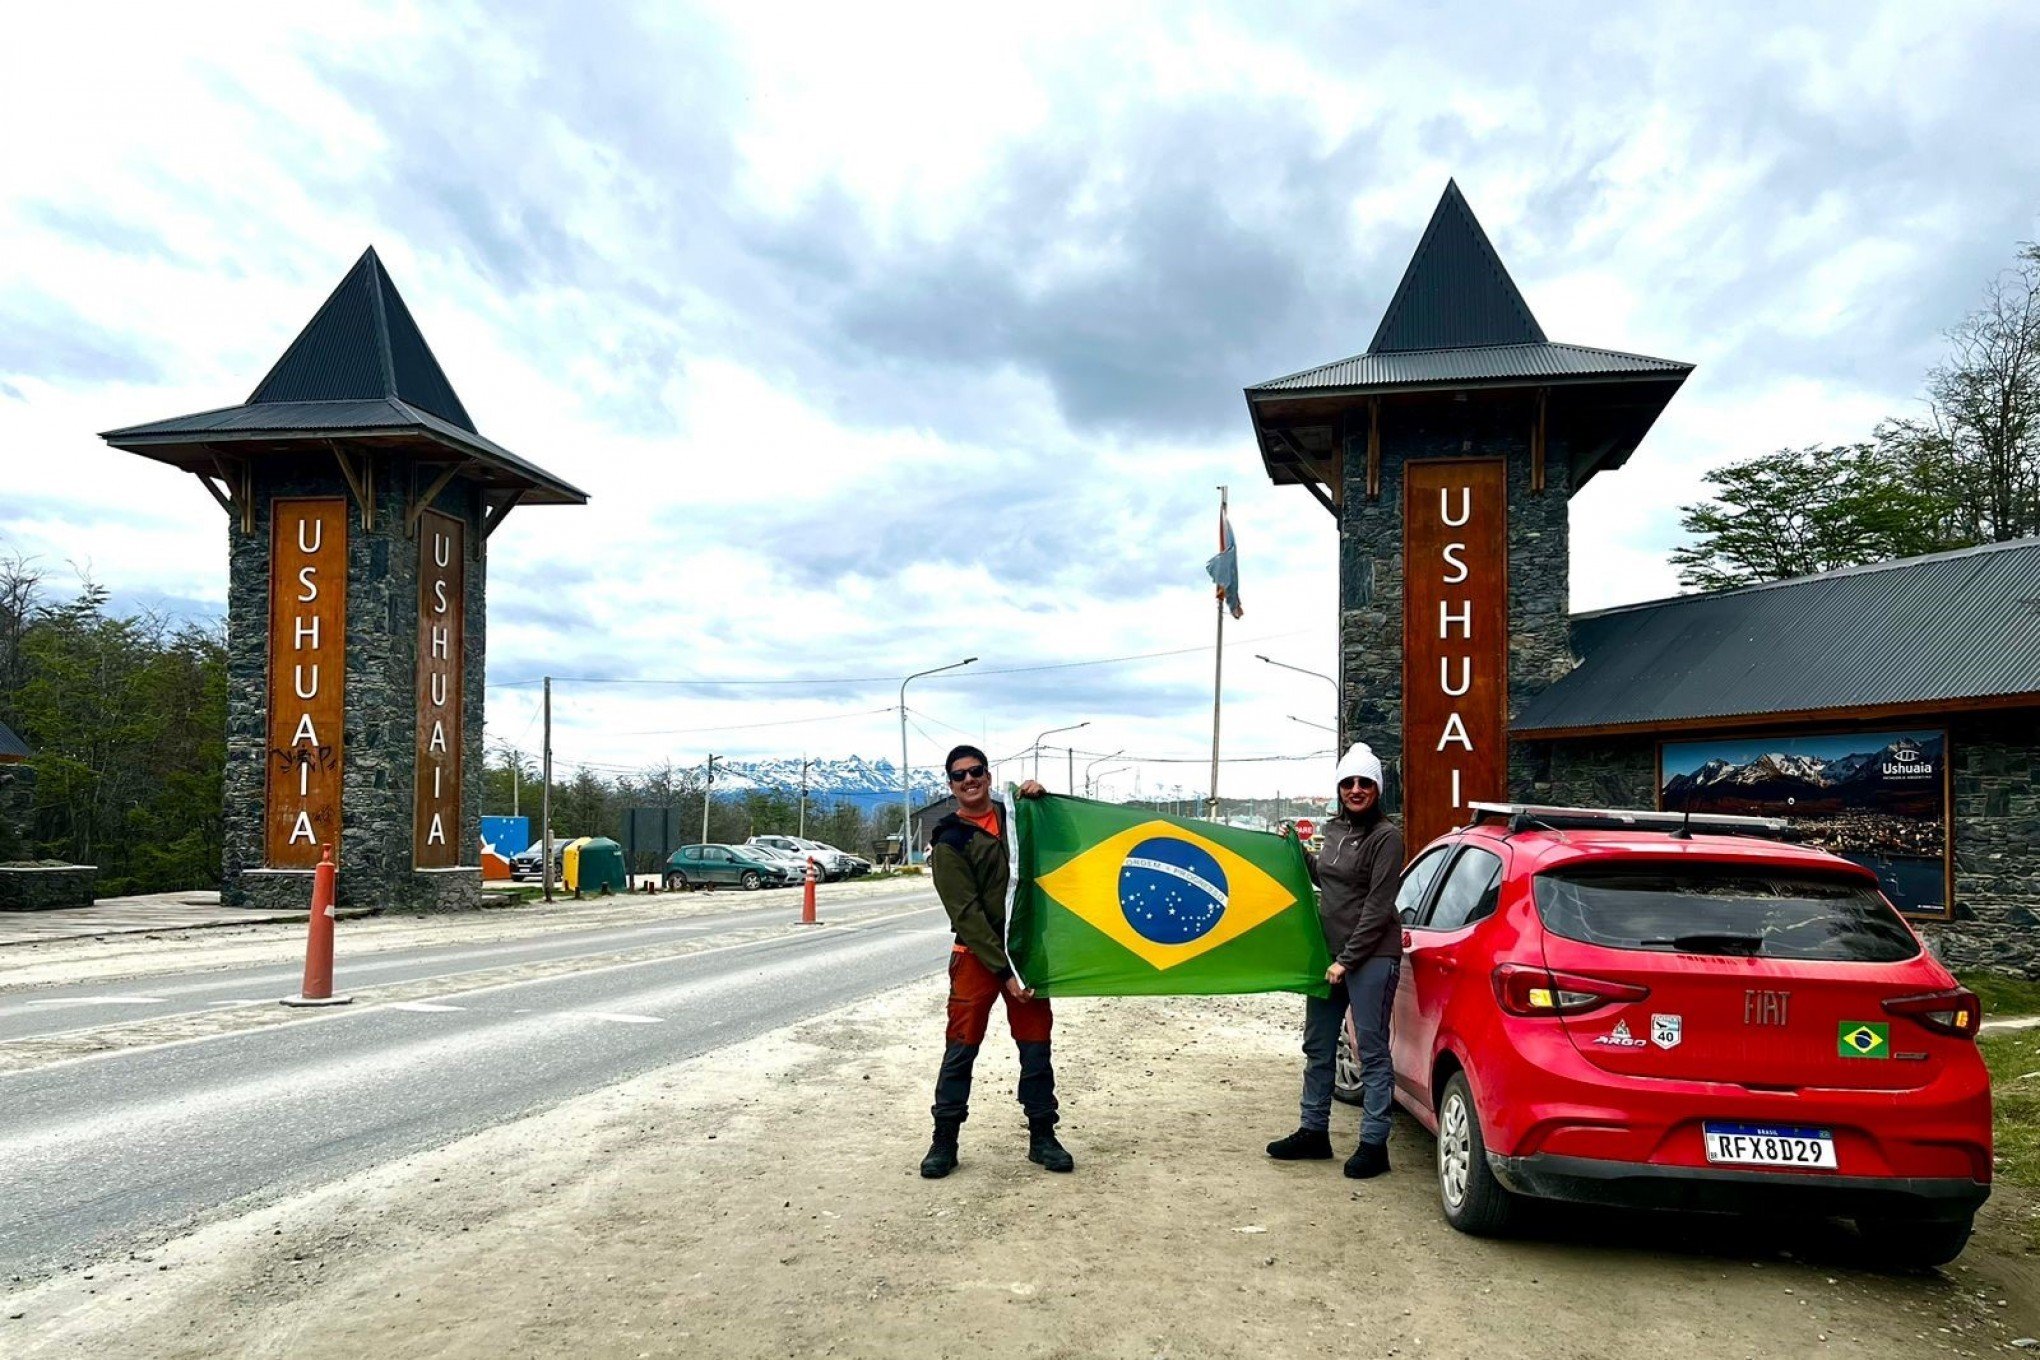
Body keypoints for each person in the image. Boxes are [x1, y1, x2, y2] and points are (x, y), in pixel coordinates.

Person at [919, 745, 1072, 1179]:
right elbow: (965, 915)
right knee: (961, 1049)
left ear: (988, 776)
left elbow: (1068, 844)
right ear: (950, 785)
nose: (969, 780)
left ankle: (1043, 1136)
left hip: (1026, 952)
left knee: (1036, 1045)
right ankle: (943, 1142)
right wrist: (1004, 972)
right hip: (978, 957)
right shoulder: (950, 840)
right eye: (959, 775)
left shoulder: (1018, 819)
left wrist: (1043, 802)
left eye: (976, 771)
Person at [1266, 741, 1405, 1178]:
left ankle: (1373, 1143)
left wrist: (1346, 960)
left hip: (1369, 958)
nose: (1356, 789)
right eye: (1349, 782)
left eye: (1365, 782)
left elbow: (1378, 907)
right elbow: (1327, 880)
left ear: (1377, 789)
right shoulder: (1337, 830)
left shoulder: (1387, 837)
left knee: (1373, 1052)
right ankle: (1313, 1132)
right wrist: (1296, 852)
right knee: (1319, 1046)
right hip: (1331, 959)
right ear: (1340, 787)